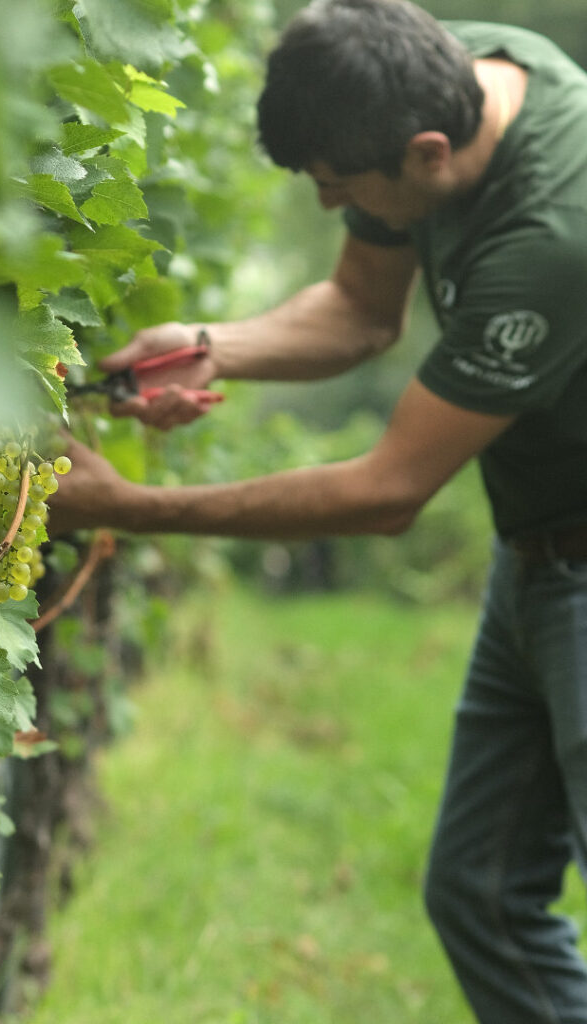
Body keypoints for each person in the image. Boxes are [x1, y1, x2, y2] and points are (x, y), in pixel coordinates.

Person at [47, 1, 587, 1021]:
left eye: (343, 190)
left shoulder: (558, 233)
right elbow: (359, 310)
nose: (336, 204)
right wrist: (210, 345)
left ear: (424, 155)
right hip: (537, 561)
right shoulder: (428, 83)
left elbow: (386, 491)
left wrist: (125, 506)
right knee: (480, 897)